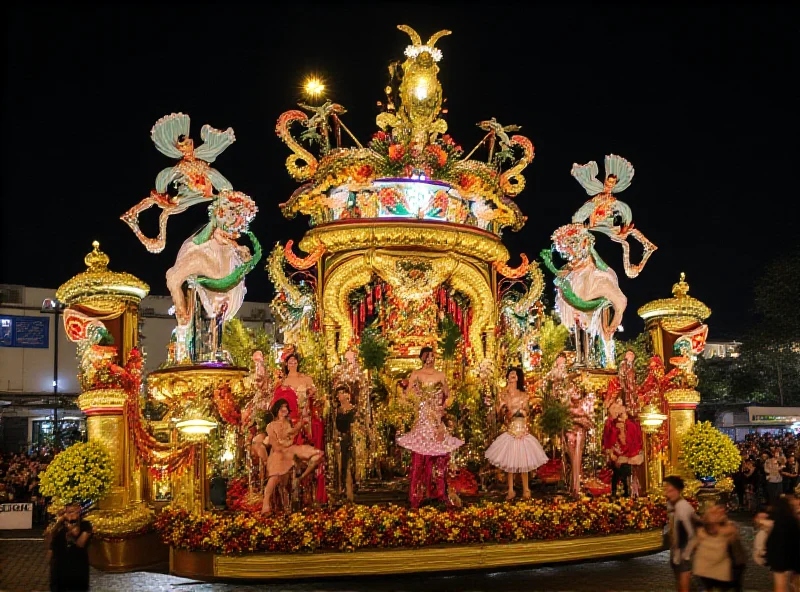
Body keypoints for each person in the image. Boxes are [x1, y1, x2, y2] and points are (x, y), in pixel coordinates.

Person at [396, 347, 463, 508]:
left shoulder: (440, 375)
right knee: (419, 461)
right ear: (422, 358)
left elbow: (449, 395)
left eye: (433, 356)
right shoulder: (416, 374)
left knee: (440, 460)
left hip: (436, 421)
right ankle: (417, 495)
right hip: (423, 420)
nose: (430, 359)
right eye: (427, 356)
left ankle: (439, 493)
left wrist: (443, 407)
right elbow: (407, 396)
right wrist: (403, 392)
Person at [485, 367, 549, 500]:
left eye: (515, 374)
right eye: (510, 374)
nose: (513, 376)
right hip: (511, 428)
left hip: (522, 429)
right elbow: (499, 413)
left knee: (524, 460)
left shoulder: (524, 395)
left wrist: (524, 413)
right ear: (507, 377)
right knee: (510, 461)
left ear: (518, 378)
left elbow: (527, 411)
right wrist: (503, 410)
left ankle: (526, 489)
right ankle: (510, 489)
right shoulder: (503, 394)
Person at [261, 399, 323, 515]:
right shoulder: (271, 426)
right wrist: (283, 448)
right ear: (277, 410)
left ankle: (301, 477)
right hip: (278, 453)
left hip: (290, 450)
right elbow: (275, 444)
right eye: (281, 407)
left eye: (286, 407)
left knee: (317, 455)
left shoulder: (288, 423)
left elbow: (292, 433)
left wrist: (301, 423)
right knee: (275, 476)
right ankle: (266, 504)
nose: (284, 409)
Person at [692, 504, 745, 591]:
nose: (719, 512)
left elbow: (730, 533)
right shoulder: (702, 530)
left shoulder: (729, 527)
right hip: (708, 571)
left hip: (731, 568)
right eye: (714, 512)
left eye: (719, 511)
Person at [47, 502, 92, 592]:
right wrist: (59, 522)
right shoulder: (59, 526)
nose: (69, 515)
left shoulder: (85, 525)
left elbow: (81, 543)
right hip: (59, 567)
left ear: (79, 512)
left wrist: (71, 535)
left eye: (73, 512)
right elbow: (50, 541)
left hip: (78, 566)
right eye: (67, 512)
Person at [664, 475, 697, 592]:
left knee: (684, 587)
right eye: (666, 490)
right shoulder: (671, 506)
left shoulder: (682, 507)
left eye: (671, 490)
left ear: (678, 491)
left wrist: (685, 555)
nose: (668, 494)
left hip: (684, 551)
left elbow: (692, 534)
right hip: (676, 550)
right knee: (680, 585)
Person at [766, 495, 800, 592]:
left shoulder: (777, 521)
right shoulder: (791, 522)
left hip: (779, 559)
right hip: (789, 559)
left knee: (781, 585)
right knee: (790, 584)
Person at [335, 385, 357, 499]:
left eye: (342, 393)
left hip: (351, 440)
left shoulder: (354, 410)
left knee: (350, 465)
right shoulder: (336, 410)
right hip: (340, 441)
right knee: (342, 466)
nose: (340, 396)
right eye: (338, 394)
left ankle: (351, 492)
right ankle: (343, 490)